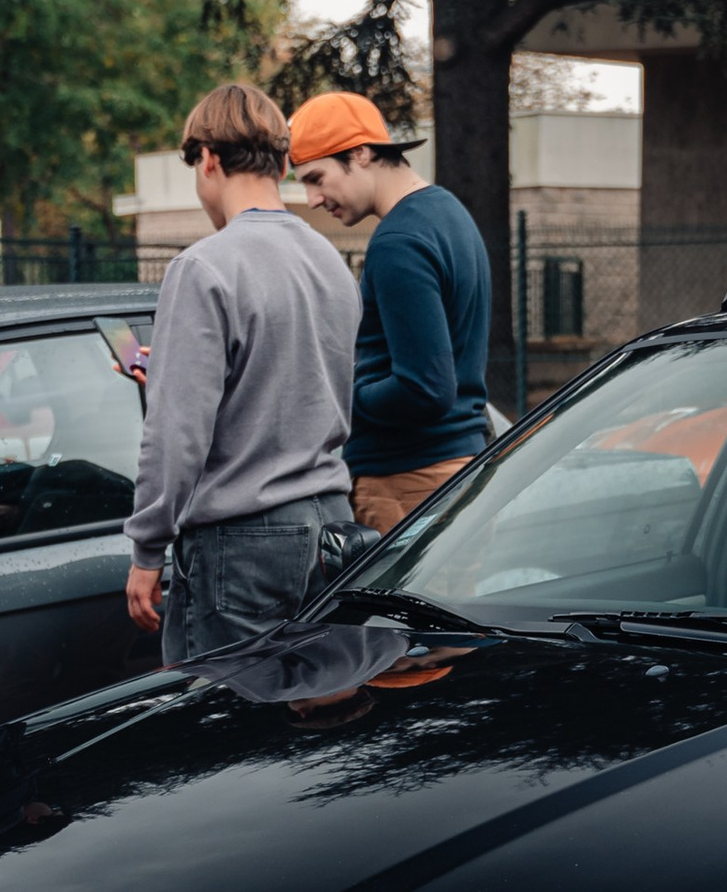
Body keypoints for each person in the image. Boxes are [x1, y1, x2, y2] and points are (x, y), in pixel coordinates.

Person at [125, 80, 362, 665]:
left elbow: (177, 433)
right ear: (280, 163)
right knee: (309, 708)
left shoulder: (204, 267)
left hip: (242, 544)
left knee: (222, 713)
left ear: (207, 159)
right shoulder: (330, 263)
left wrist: (147, 548)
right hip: (333, 529)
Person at [288, 90, 493, 532]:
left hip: (408, 483)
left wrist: (340, 395)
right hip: (455, 468)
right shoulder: (449, 213)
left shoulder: (398, 242)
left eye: (317, 178)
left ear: (360, 153)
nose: (312, 198)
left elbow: (425, 388)